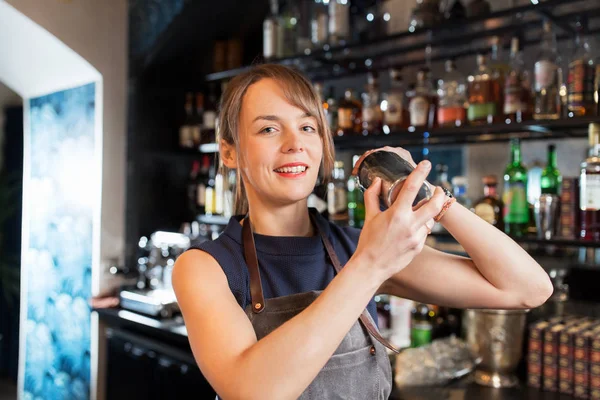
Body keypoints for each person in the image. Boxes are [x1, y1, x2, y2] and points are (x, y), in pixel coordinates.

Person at [172, 64, 553, 399]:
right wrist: (370, 265)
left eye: (308, 127)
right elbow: (252, 391)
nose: (295, 144)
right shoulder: (206, 268)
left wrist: (427, 196)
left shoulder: (357, 246)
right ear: (229, 152)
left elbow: (527, 289)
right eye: (269, 128)